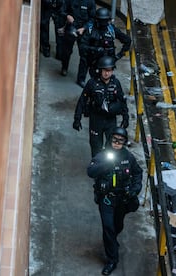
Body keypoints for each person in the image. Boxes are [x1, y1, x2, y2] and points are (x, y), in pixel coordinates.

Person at [87, 127, 143, 275]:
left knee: (117, 225)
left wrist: (135, 189)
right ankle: (112, 259)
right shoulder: (103, 155)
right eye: (115, 140)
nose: (117, 143)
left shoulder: (128, 157)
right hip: (107, 199)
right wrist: (106, 165)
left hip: (122, 200)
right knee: (108, 227)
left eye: (120, 141)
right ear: (110, 140)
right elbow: (90, 171)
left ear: (124, 142)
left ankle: (111, 242)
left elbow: (138, 173)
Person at [73, 55, 129, 157]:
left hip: (110, 120)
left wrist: (126, 117)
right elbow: (82, 100)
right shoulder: (92, 84)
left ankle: (109, 167)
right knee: (96, 146)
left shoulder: (116, 83)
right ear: (100, 70)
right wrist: (77, 118)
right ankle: (97, 166)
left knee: (111, 146)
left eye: (109, 70)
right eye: (105, 70)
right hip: (96, 119)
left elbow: (122, 100)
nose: (107, 73)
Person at [79, 7, 131, 81]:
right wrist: (95, 49)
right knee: (95, 83)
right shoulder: (90, 30)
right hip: (94, 62)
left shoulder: (111, 30)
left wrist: (118, 56)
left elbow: (127, 41)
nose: (103, 23)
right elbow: (82, 46)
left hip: (108, 63)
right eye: (101, 20)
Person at [60, 0, 96, 83]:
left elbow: (93, 19)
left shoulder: (90, 2)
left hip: (83, 30)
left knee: (84, 55)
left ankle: (81, 79)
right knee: (66, 51)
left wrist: (84, 28)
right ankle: (64, 67)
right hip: (71, 27)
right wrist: (67, 16)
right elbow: (62, 11)